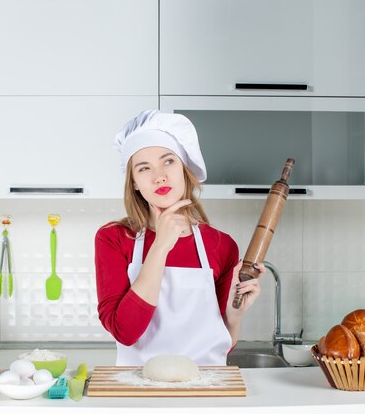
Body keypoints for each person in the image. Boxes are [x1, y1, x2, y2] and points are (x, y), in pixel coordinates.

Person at [94, 109, 262, 366]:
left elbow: (217, 348)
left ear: (184, 169)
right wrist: (161, 245)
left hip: (204, 391)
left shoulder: (221, 245)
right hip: (138, 393)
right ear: (135, 183)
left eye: (168, 161)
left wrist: (234, 315)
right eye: (144, 168)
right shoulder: (114, 238)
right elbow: (125, 333)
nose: (159, 175)